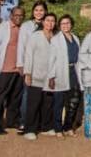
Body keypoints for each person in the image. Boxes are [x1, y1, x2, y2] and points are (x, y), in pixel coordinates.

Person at [0, 5, 26, 135]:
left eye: (21, 15)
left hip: (18, 70)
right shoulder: (3, 28)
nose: (18, 17)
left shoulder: (24, 29)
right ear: (11, 16)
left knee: (15, 98)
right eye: (16, 15)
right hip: (4, 69)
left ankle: (12, 121)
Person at [22, 12, 58, 140]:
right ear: (43, 22)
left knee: (47, 103)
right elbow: (29, 55)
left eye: (53, 21)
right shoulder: (35, 36)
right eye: (47, 20)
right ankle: (29, 129)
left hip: (50, 78)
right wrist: (28, 73)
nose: (50, 23)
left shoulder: (56, 37)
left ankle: (46, 127)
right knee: (34, 103)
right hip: (36, 75)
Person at [50, 15, 82, 137]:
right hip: (61, 72)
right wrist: (51, 76)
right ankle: (58, 128)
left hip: (74, 71)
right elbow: (52, 59)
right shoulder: (56, 39)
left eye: (67, 23)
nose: (65, 25)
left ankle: (68, 126)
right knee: (59, 101)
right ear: (59, 25)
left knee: (73, 101)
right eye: (63, 23)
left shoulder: (75, 38)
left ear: (71, 24)